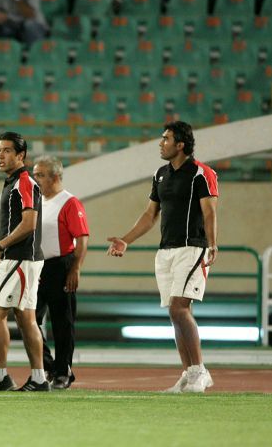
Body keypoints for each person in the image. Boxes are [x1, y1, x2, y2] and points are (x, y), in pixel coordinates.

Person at [107, 121, 218, 394]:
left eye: (166, 138)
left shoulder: (201, 173)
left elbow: (210, 212)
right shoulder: (160, 175)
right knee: (176, 314)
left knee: (178, 309)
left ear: (180, 144)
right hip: (166, 250)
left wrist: (213, 244)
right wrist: (126, 240)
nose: (161, 143)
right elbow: (150, 215)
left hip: (192, 248)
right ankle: (189, 374)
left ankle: (200, 371)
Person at [0, 131, 47, 392]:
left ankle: (1, 377)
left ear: (21, 155)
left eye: (7, 150)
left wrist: (1, 245)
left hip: (19, 258)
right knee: (25, 318)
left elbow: (29, 222)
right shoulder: (15, 181)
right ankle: (39, 378)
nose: (0, 155)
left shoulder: (24, 182)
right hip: (24, 258)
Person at [32, 155, 89, 390]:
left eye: (40, 175)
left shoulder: (69, 202)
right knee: (29, 319)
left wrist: (75, 268)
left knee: (62, 322)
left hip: (60, 265)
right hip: (38, 267)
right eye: (35, 174)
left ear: (55, 177)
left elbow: (82, 239)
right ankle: (48, 366)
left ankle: (63, 371)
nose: (36, 179)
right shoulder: (37, 201)